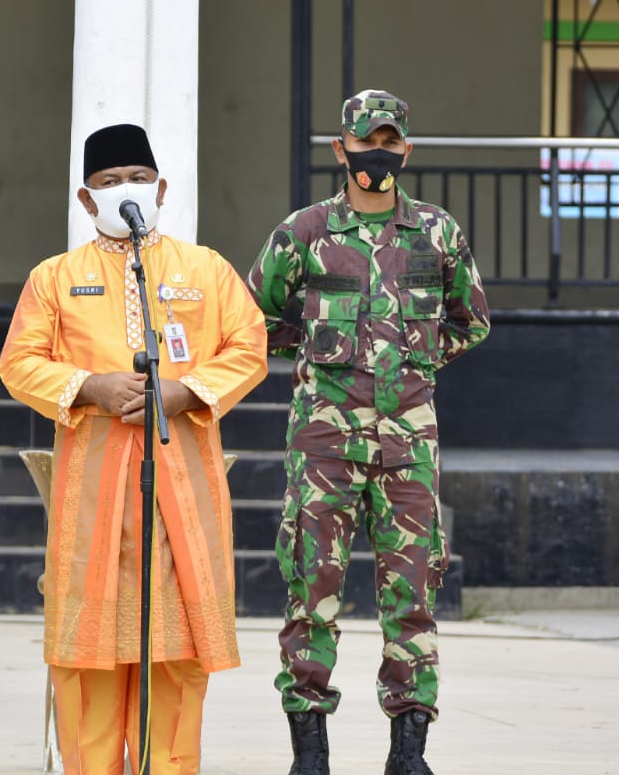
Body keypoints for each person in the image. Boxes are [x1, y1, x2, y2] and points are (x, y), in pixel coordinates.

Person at [0, 123, 269, 775]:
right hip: (92, 506)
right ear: (88, 202)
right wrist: (89, 385)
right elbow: (18, 361)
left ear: (163, 189)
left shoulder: (205, 270)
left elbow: (250, 345)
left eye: (138, 179)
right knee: (88, 669)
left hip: (182, 499)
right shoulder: (54, 279)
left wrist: (185, 391)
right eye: (111, 182)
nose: (128, 191)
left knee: (175, 663)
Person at [246, 90, 490, 775]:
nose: (375, 155)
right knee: (310, 590)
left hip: (408, 446)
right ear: (341, 149)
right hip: (324, 444)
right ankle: (309, 750)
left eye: (387, 143)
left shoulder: (437, 233)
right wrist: (313, 351)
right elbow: (252, 312)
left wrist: (412, 362)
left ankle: (408, 749)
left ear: (405, 151)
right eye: (364, 143)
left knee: (412, 594)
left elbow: (471, 319)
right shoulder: (305, 232)